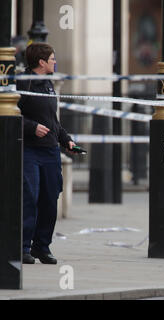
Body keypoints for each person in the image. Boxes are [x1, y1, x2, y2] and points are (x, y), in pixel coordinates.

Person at [17, 43, 76, 264]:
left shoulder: (49, 84)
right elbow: (10, 114)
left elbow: (53, 121)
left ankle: (41, 246)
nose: (54, 62)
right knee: (30, 197)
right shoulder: (24, 82)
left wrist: (66, 140)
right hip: (30, 150)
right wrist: (31, 127)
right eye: (52, 59)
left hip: (51, 150)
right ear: (41, 62)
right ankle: (22, 247)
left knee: (50, 198)